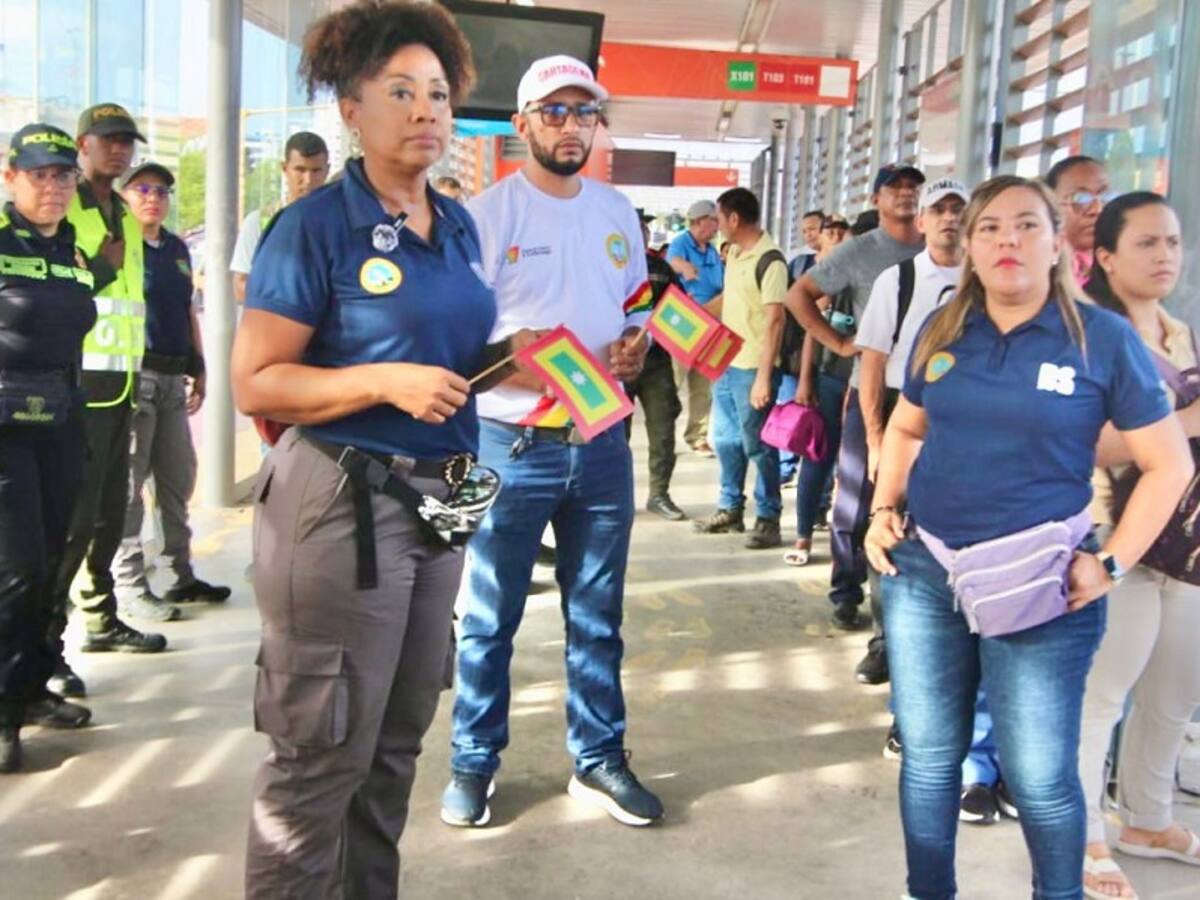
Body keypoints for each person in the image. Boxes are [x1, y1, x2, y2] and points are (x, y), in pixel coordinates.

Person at [231, 4, 500, 896]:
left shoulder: (455, 225)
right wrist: (383, 385)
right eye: (400, 92)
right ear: (351, 109)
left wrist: (528, 358)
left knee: (392, 747)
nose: (427, 110)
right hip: (340, 502)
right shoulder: (311, 229)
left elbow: (444, 357)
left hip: (442, 497)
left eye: (437, 93)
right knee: (320, 757)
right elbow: (258, 381)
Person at [864, 174, 1192, 900]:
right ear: (969, 250)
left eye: (1026, 226)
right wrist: (884, 508)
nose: (1007, 240)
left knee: (1042, 777)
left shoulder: (1098, 339)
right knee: (929, 758)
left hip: (1045, 586)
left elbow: (1167, 463)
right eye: (989, 229)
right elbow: (908, 426)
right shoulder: (943, 328)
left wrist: (1108, 562)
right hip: (927, 573)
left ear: (1057, 247)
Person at [442, 54, 662, 830]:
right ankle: (473, 762)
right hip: (509, 444)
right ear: (522, 123)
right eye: (556, 112)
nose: (572, 127)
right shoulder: (483, 216)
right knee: (490, 616)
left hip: (601, 442)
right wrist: (517, 355)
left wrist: (635, 347)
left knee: (597, 616)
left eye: (585, 113)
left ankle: (599, 760)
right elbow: (454, 346)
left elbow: (631, 308)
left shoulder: (614, 212)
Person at [1076, 193, 1200, 899]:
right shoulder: (1092, 335)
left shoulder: (1179, 331)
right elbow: (1089, 442)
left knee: (1175, 690)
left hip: (1185, 536)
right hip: (1112, 530)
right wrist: (1185, 420)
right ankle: (1084, 832)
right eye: (1148, 244)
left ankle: (1149, 818)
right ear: (1107, 257)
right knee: (1103, 693)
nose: (1164, 258)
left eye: (1174, 244)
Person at [785, 164, 926, 684]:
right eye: (896, 188)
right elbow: (798, 296)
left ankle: (898, 619)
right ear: (877, 197)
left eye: (915, 188)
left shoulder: (942, 249)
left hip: (932, 396)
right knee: (856, 501)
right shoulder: (861, 251)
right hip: (871, 389)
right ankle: (846, 591)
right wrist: (841, 344)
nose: (906, 195)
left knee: (911, 510)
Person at [51, 103, 165, 701]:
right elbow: (55, 283)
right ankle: (49, 645)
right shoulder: (61, 205)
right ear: (83, 144)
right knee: (71, 519)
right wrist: (99, 266)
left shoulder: (121, 210)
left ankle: (101, 617)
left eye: (126, 143)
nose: (118, 152)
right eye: (108, 142)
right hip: (78, 385)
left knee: (106, 514)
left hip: (122, 384)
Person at [0, 125, 99, 772]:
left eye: (63, 175)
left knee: (60, 562)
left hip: (63, 420)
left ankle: (35, 687)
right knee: (17, 571)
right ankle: (5, 714)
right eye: (39, 174)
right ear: (10, 179)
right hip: (4, 426)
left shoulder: (73, 249)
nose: (53, 186)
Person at [111, 162, 229, 623]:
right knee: (129, 487)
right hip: (134, 379)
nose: (153, 198)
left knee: (178, 480)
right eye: (143, 189)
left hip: (172, 379)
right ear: (125, 196)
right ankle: (130, 587)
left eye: (161, 191)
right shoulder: (118, 246)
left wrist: (199, 365)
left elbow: (186, 309)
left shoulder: (177, 248)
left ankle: (180, 574)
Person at [692, 187, 787, 549]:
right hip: (726, 363)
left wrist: (764, 377)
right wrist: (684, 320)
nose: (716, 225)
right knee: (726, 440)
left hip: (754, 368)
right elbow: (726, 300)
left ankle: (768, 517)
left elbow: (775, 320)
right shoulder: (734, 254)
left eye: (719, 218)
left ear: (734, 219)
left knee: (759, 445)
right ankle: (730, 508)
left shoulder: (771, 260)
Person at [783, 213, 851, 565]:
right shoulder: (829, 278)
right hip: (829, 379)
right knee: (817, 458)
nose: (838, 238)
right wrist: (806, 381)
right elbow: (811, 328)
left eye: (844, 232)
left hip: (865, 383)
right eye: (832, 232)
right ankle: (803, 535)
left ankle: (849, 545)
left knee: (854, 468)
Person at [627, 209, 686, 521]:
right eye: (635, 229)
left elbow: (682, 311)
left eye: (645, 230)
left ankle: (659, 493)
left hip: (656, 363)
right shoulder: (606, 267)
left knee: (663, 430)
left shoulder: (660, 269)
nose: (642, 235)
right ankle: (618, 495)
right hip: (616, 363)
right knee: (613, 436)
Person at [230, 131, 329, 304]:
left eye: (316, 170)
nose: (308, 180)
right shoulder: (260, 221)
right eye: (300, 170)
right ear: (285, 169)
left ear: (327, 170)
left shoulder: (339, 222)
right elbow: (240, 287)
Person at [666, 199, 723, 456]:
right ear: (700, 221)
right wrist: (685, 267)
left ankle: (697, 437)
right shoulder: (681, 243)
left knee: (703, 385)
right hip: (684, 323)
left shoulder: (712, 250)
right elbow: (673, 260)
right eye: (714, 221)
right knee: (674, 382)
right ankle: (664, 435)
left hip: (711, 324)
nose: (717, 226)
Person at [1044, 155, 1112, 285]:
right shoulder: (1036, 270)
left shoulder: (1123, 267)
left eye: (1106, 197)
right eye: (1080, 199)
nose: (1097, 209)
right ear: (1049, 206)